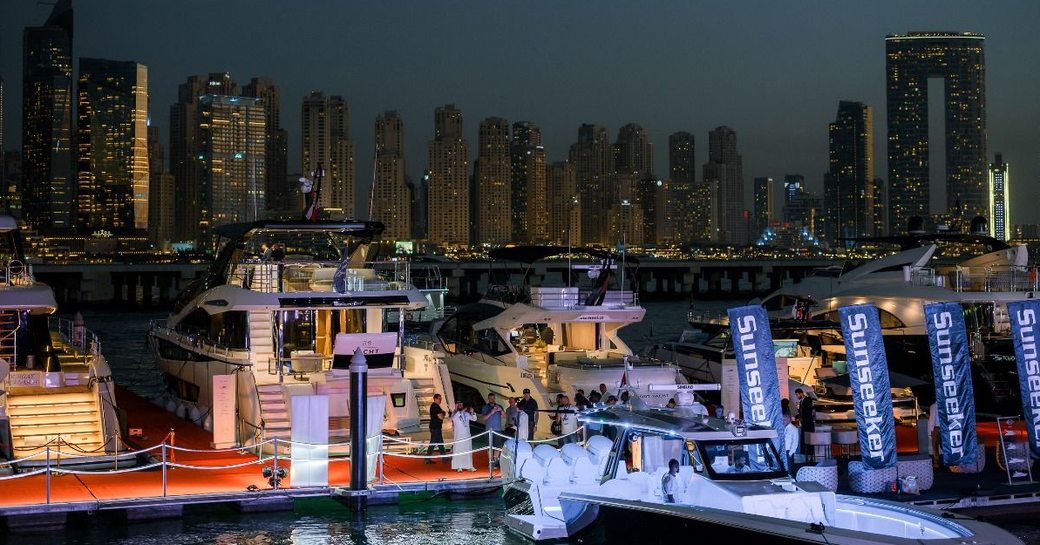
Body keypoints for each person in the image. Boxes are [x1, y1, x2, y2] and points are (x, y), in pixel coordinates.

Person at [451, 402, 478, 472]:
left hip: (467, 436)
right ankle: (459, 467)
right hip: (458, 436)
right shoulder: (455, 414)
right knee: (459, 451)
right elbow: (454, 418)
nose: (461, 406)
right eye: (459, 405)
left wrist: (472, 412)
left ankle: (469, 466)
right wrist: (458, 409)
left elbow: (474, 419)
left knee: (467, 451)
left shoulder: (466, 414)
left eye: (462, 405)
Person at [481, 393, 505, 466]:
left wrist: (501, 410)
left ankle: (495, 461)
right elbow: (484, 418)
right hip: (489, 430)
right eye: (491, 398)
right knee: (489, 446)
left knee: (497, 446)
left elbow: (505, 416)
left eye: (493, 398)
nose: (492, 400)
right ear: (488, 399)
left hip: (498, 430)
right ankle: (490, 462)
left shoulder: (499, 406)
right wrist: (492, 412)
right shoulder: (485, 407)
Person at [425, 393, 447, 464]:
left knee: (440, 443)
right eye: (439, 398)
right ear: (435, 399)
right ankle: (427, 459)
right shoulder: (435, 407)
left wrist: (442, 413)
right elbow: (441, 416)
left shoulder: (436, 406)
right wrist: (443, 414)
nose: (441, 400)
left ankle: (444, 458)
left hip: (436, 427)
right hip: (435, 428)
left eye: (441, 398)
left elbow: (441, 414)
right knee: (433, 443)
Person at [795, 388, 815, 456]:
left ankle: (809, 452)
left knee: (808, 437)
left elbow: (808, 410)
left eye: (797, 394)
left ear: (801, 393)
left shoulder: (808, 399)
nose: (797, 396)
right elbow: (801, 412)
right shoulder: (801, 401)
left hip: (808, 422)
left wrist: (800, 409)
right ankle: (804, 452)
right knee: (804, 438)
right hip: (804, 422)